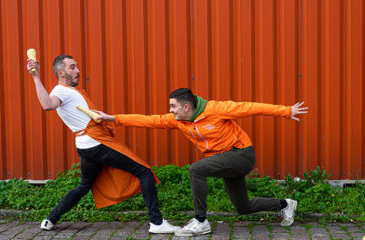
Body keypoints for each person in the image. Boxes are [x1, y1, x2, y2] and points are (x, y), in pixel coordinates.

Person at [94, 88, 308, 237]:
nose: (170, 111)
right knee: (243, 207)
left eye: (173, 106)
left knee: (196, 169)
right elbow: (150, 120)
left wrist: (286, 111)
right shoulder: (179, 120)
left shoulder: (215, 109)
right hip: (223, 160)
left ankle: (201, 221)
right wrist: (112, 118)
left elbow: (249, 107)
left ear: (187, 106)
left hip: (241, 154)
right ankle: (285, 204)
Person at [26, 55, 180, 234]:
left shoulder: (70, 91)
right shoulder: (60, 91)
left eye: (77, 67)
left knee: (84, 186)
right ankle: (157, 222)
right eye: (72, 67)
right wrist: (35, 77)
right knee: (144, 172)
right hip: (96, 143)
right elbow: (47, 105)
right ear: (61, 73)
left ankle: (50, 219)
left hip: (86, 147)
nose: (78, 71)